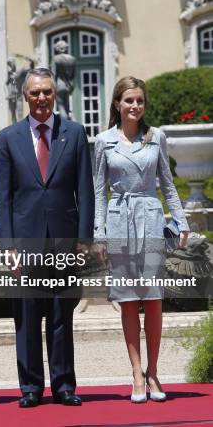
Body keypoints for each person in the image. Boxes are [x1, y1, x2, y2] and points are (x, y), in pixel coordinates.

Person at [0, 67, 94, 408]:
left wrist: (84, 240)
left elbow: (86, 190)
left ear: (55, 94)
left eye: (47, 92)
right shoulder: (9, 138)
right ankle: (31, 388)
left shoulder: (76, 134)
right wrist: (7, 246)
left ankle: (64, 385)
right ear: (25, 96)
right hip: (24, 242)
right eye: (35, 93)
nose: (41, 99)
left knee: (60, 315)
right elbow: (2, 196)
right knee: (26, 316)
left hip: (64, 240)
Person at [92, 76, 189, 403]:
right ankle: (136, 373)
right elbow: (98, 192)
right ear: (117, 104)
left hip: (149, 219)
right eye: (129, 100)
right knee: (129, 300)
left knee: (154, 298)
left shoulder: (155, 136)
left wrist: (181, 220)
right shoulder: (103, 140)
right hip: (119, 221)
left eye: (139, 101)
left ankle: (154, 371)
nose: (135, 106)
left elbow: (167, 183)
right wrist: (99, 232)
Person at [52, 41, 76, 120]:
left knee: (61, 106)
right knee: (67, 106)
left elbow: (53, 74)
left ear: (58, 48)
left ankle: (64, 123)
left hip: (59, 84)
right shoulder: (72, 59)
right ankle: (68, 122)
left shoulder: (55, 59)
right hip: (69, 85)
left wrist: (52, 87)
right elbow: (73, 75)